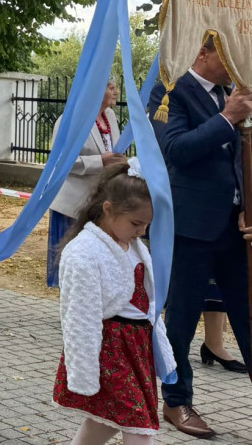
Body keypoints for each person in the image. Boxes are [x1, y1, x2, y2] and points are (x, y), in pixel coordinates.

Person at [150, 35, 252, 439]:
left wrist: (245, 202)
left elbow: (238, 159)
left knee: (246, 313)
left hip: (234, 227)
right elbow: (175, 150)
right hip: (190, 228)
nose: (239, 65)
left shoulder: (232, 92)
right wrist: (227, 118)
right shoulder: (170, 92)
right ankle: (176, 401)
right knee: (182, 319)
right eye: (231, 57)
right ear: (203, 54)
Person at [53, 162, 174, 445]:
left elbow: (149, 301)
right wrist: (83, 370)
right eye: (135, 223)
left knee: (104, 421)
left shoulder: (133, 246)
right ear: (108, 209)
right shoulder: (83, 253)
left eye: (146, 224)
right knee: (138, 424)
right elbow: (79, 318)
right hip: (110, 350)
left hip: (135, 346)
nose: (142, 231)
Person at [48, 79, 124, 288]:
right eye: (111, 87)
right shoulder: (70, 119)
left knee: (97, 263)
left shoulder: (110, 117)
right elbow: (60, 161)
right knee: (74, 263)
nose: (116, 92)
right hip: (72, 207)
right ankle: (73, 311)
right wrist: (100, 161)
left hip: (101, 203)